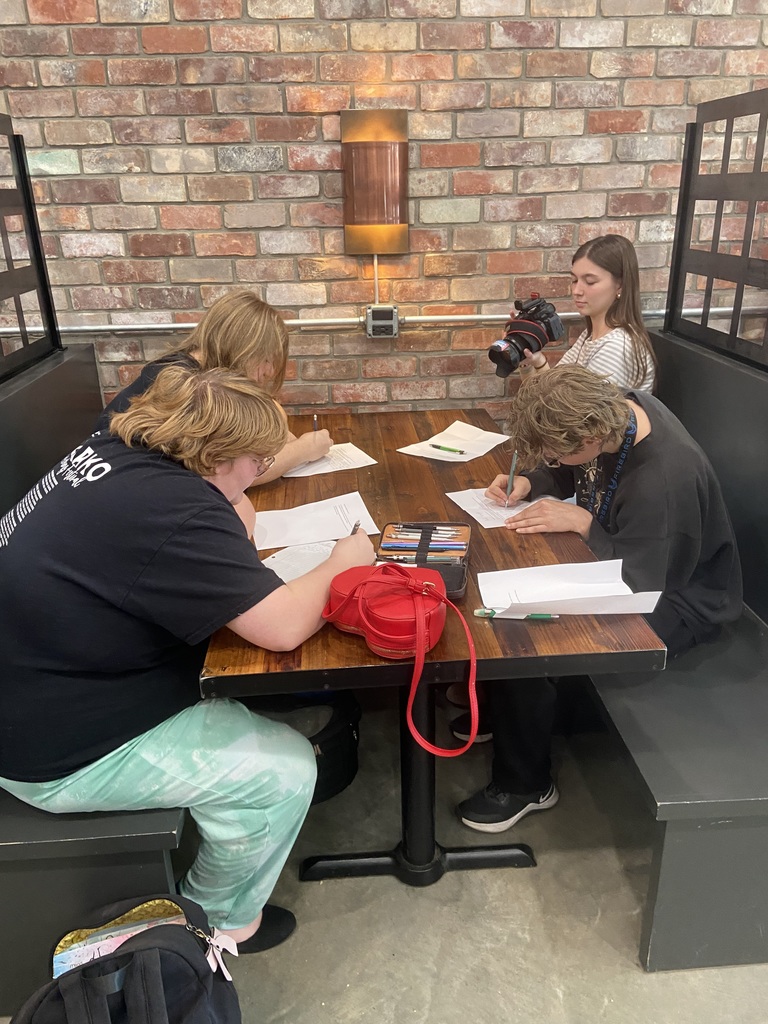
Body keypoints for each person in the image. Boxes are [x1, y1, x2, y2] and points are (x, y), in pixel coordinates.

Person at [0, 363, 374, 952]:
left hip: (33, 685)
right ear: (218, 457)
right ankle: (218, 922)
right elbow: (280, 629)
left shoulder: (118, 449)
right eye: (256, 461)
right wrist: (342, 564)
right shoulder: (175, 511)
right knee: (283, 771)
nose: (259, 472)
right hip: (53, 746)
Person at [456, 364, 742, 833]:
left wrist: (586, 526)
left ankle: (526, 784)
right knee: (508, 604)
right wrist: (532, 482)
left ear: (588, 435)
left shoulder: (663, 478)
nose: (551, 457)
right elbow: (581, 473)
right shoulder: (616, 416)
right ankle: (502, 715)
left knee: (529, 635)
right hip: (637, 559)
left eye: (554, 452)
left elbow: (643, 581)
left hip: (678, 599)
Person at [95, 289, 332, 483]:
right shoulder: (190, 390)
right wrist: (305, 449)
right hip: (117, 489)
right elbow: (233, 476)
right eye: (266, 359)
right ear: (243, 348)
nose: (270, 371)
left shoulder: (179, 366)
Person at [522, 234, 657, 392]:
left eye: (590, 282)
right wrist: (531, 360)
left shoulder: (617, 348)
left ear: (620, 285)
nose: (577, 291)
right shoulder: (590, 336)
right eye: (574, 281)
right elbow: (548, 394)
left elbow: (568, 412)